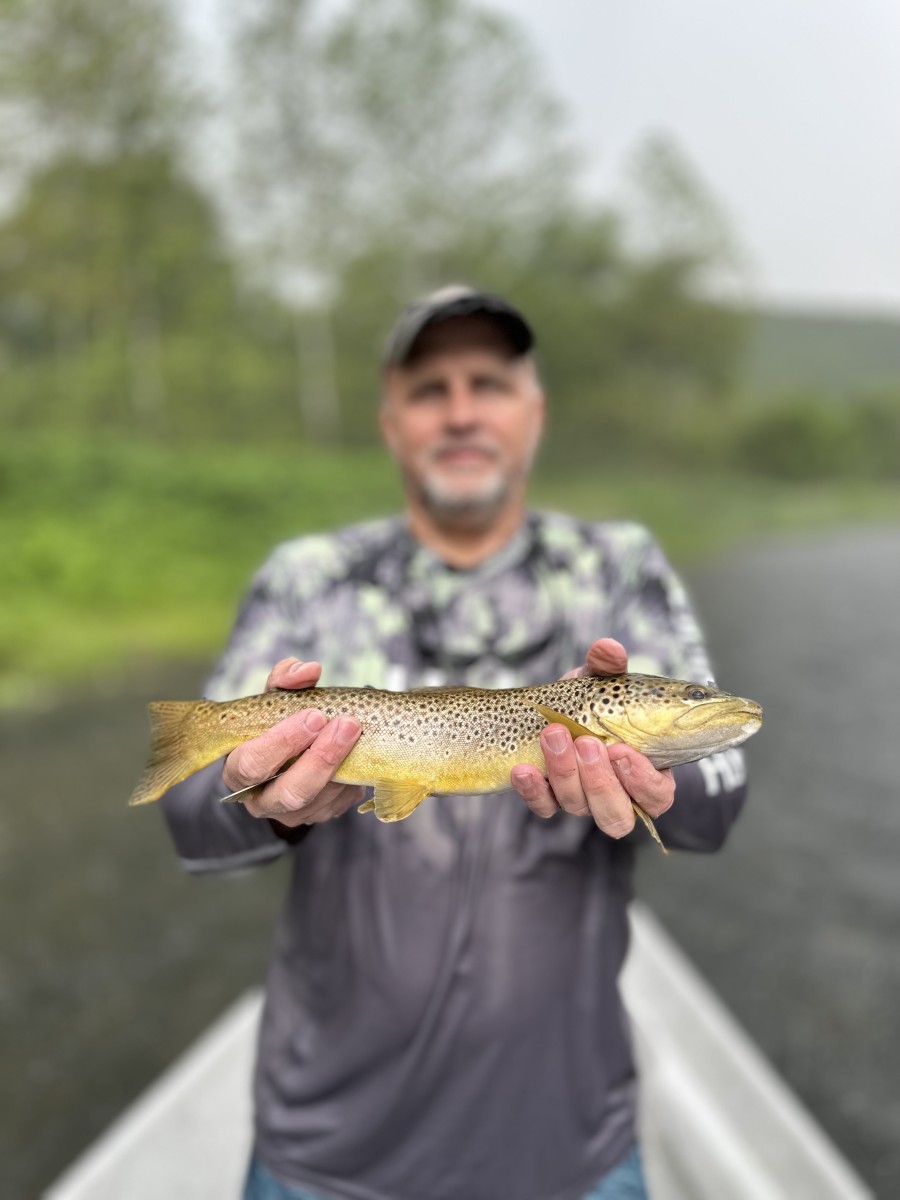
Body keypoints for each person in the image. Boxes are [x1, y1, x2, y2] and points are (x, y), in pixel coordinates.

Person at [161, 285, 749, 1200]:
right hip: (325, 1149)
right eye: (430, 388)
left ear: (535, 412)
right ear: (391, 423)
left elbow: (721, 790)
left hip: (567, 1144)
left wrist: (664, 786)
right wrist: (264, 802)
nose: (463, 410)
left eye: (490, 382)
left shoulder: (620, 569)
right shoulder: (307, 578)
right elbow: (192, 821)